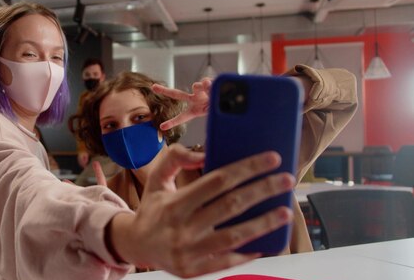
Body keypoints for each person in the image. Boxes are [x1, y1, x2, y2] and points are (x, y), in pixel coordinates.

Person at [0, 1, 301, 280]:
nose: (48, 69)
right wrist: (124, 233)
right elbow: (26, 201)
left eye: (56, 57)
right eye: (29, 54)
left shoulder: (27, 139)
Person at [72, 68, 358, 255]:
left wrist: (266, 96)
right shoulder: (104, 198)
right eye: (110, 125)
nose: (124, 132)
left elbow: (343, 96)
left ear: (162, 120)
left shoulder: (228, 164)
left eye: (138, 118)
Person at [69, 58, 120, 185]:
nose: (91, 77)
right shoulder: (84, 98)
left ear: (102, 76)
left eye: (95, 74)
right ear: (82, 77)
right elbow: (82, 125)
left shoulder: (110, 96)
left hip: (111, 153)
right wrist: (82, 150)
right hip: (95, 153)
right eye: (87, 75)